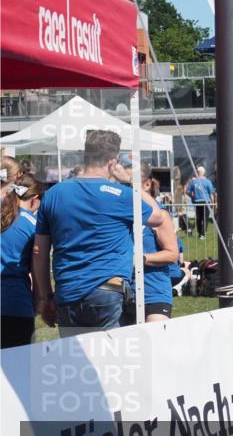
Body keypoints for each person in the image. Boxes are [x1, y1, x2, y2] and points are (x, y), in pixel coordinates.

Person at [33, 130, 170, 335]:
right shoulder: (121, 195)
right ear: (113, 162)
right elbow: (158, 217)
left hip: (68, 291)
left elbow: (39, 252)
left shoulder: (53, 194)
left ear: (85, 156)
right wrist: (132, 183)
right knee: (110, 361)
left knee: (76, 363)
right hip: (108, 290)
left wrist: (45, 297)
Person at [126, 167, 179, 323]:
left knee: (155, 345)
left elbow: (172, 254)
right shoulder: (120, 213)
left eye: (129, 184)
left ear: (146, 185)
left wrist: (141, 259)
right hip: (123, 294)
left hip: (153, 293)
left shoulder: (160, 215)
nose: (124, 190)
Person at [1, 175, 46, 347]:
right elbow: (37, 270)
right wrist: (38, 304)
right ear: (35, 199)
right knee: (18, 370)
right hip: (16, 304)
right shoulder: (33, 225)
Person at [186, 166, 216, 240]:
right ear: (203, 173)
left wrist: (192, 197)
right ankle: (202, 234)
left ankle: (200, 233)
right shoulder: (207, 182)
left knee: (199, 218)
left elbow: (187, 191)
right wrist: (212, 203)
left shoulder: (194, 182)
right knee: (205, 219)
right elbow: (211, 193)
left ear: (197, 172)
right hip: (206, 202)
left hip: (197, 201)